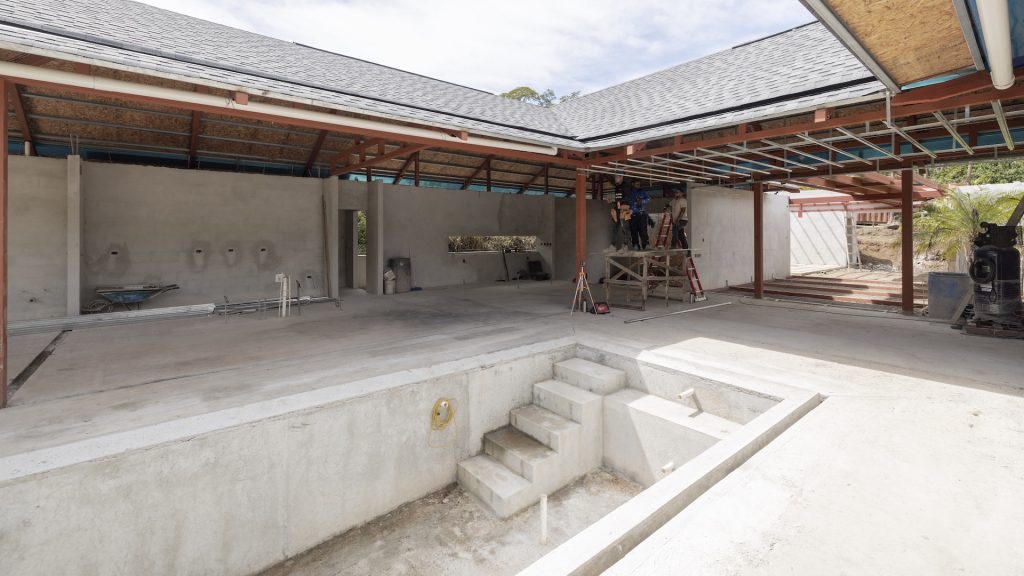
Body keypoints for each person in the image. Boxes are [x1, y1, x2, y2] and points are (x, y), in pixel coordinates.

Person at [628, 180, 651, 250]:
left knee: (643, 230)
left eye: (639, 184)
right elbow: (627, 200)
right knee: (633, 230)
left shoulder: (642, 191)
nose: (639, 186)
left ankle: (646, 245)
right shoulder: (630, 192)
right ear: (633, 184)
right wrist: (634, 203)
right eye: (637, 184)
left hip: (641, 214)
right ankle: (635, 245)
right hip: (633, 214)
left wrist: (642, 201)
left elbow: (649, 199)